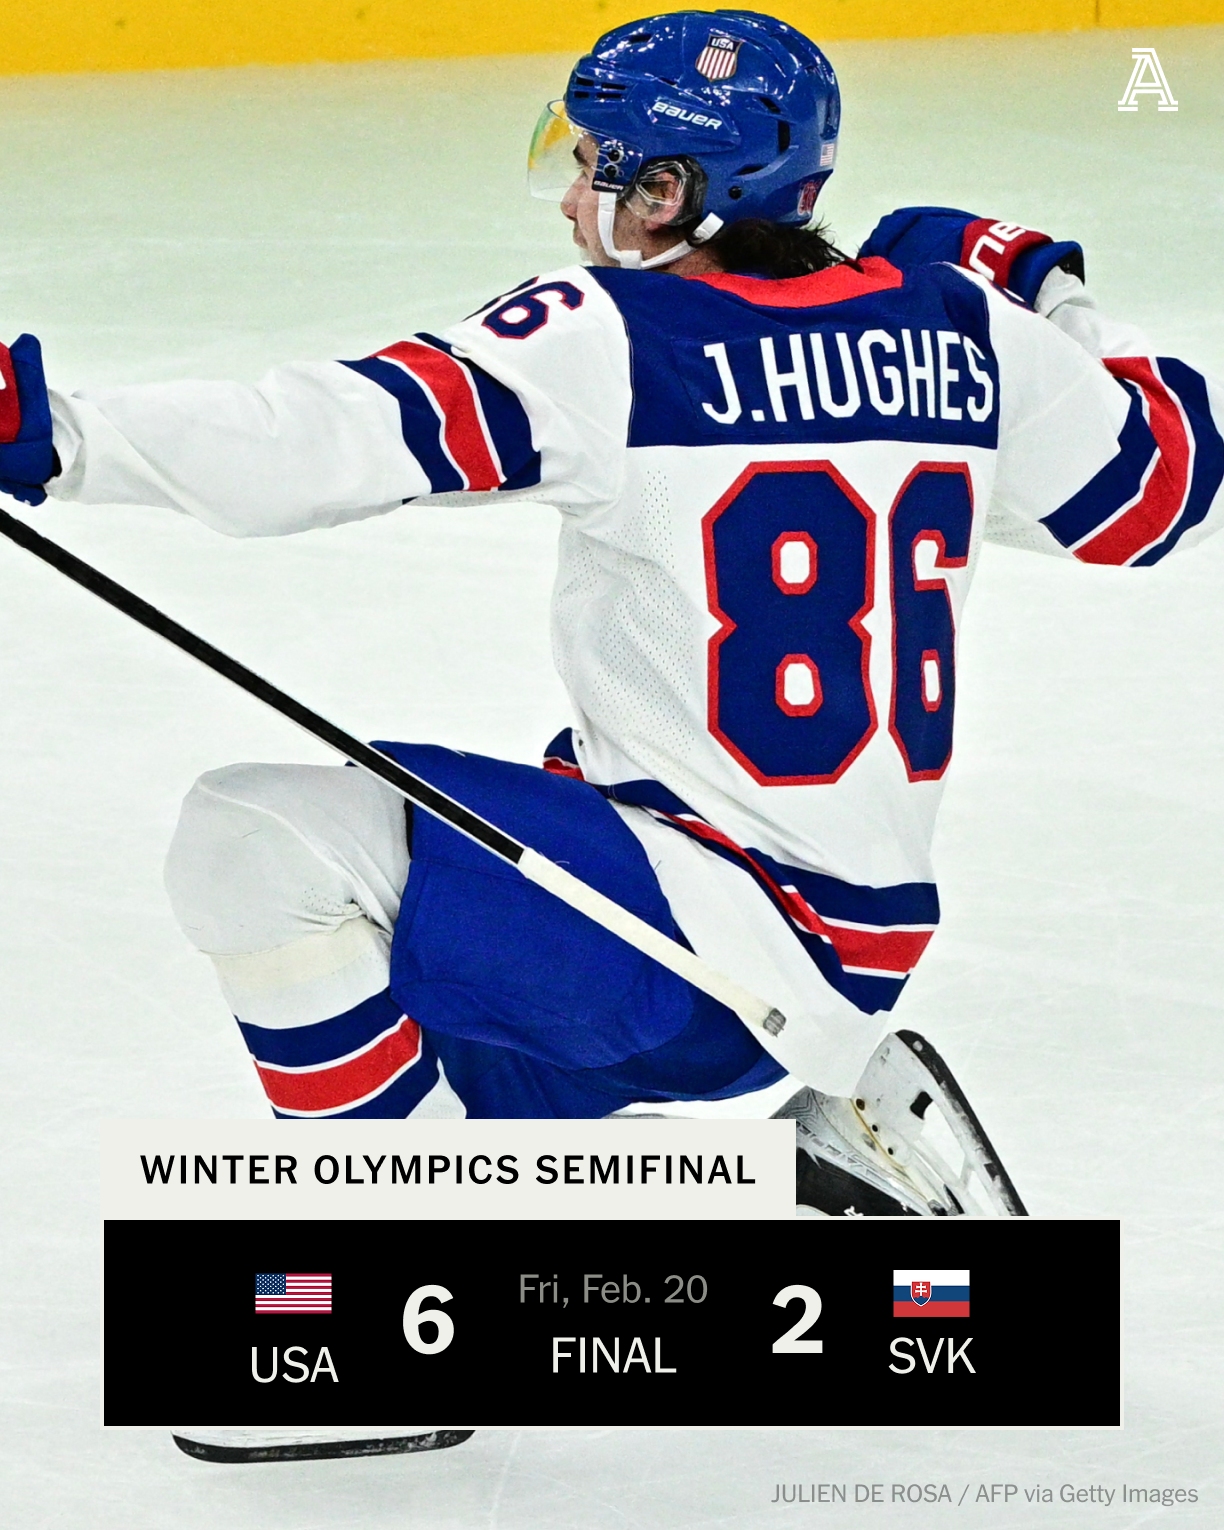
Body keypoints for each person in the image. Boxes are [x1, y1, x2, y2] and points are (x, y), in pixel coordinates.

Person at [1, 11, 1221, 1215]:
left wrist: (61, 434)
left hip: (689, 956)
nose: (574, 199)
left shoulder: (615, 337)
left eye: (596, 166)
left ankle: (406, 1245)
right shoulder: (963, 330)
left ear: (669, 194)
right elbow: (1172, 493)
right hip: (837, 949)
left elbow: (323, 438)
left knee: (257, 840)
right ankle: (798, 1169)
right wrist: (1045, 287)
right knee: (426, 1003)